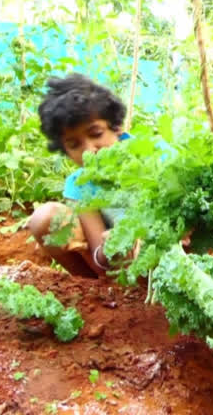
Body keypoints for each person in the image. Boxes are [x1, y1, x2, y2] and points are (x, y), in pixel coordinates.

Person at [28, 74, 130, 277]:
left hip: (180, 257)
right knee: (44, 217)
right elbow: (99, 257)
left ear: (117, 128)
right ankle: (95, 289)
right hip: (126, 264)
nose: (89, 150)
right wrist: (111, 246)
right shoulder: (80, 185)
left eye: (96, 134)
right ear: (65, 151)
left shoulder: (154, 154)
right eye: (74, 145)